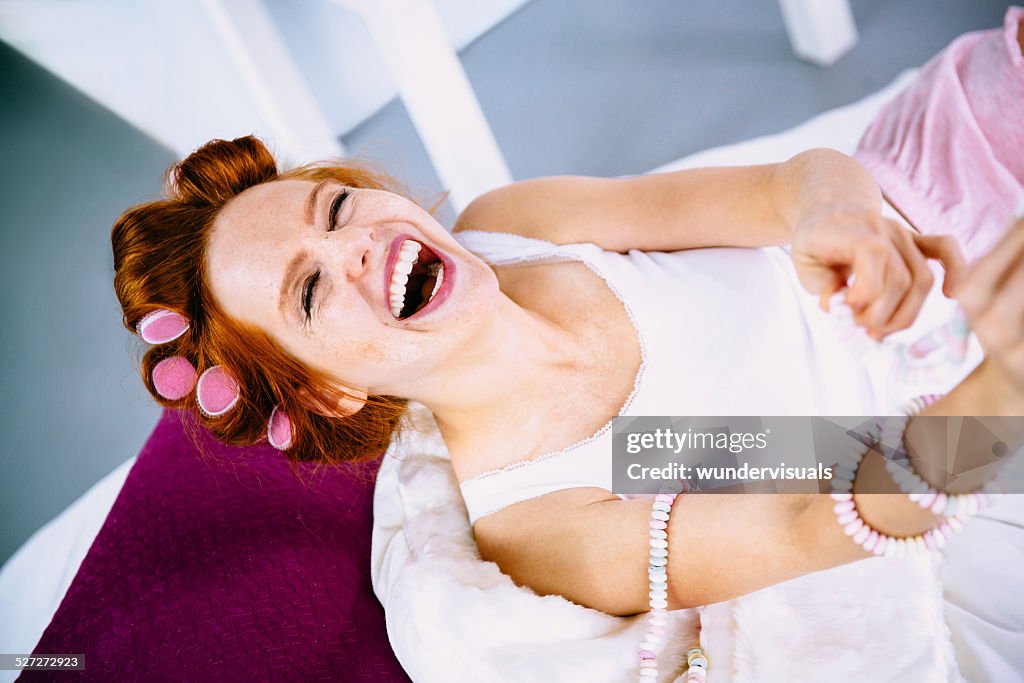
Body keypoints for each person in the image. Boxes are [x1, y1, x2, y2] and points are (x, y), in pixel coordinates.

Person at [112, 8, 1023, 679]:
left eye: (337, 207)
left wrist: (836, 211)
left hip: (929, 171)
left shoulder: (515, 224)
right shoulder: (543, 518)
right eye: (309, 290)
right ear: (328, 393)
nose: (351, 245)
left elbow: (786, 186)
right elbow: (820, 506)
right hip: (974, 383)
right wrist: (1000, 387)